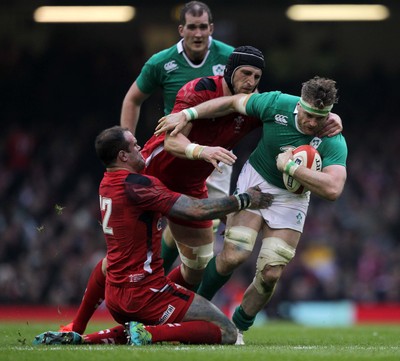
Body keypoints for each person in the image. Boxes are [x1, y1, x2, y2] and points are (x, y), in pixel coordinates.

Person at [59, 1, 236, 335]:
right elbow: (132, 99)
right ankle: (85, 322)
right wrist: (124, 153)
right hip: (171, 155)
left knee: (198, 262)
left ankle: (158, 299)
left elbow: (245, 100)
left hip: (212, 158)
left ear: (211, 28)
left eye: (203, 27)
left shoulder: (229, 59)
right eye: (191, 27)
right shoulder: (162, 62)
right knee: (128, 251)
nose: (198, 33)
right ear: (181, 30)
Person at [33, 126, 273, 346]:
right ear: (123, 156)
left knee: (108, 263)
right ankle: (150, 333)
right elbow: (194, 210)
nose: (140, 149)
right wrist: (243, 200)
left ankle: (82, 335)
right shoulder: (138, 185)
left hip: (116, 296)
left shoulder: (107, 182)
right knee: (227, 331)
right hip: (145, 295)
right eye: (135, 145)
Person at [155, 75, 348, 344]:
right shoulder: (275, 103)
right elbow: (234, 102)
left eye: (320, 118)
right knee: (234, 255)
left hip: (292, 198)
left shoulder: (332, 138)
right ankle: (191, 314)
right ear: (299, 105)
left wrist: (292, 168)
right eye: (309, 116)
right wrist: (188, 113)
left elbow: (333, 189)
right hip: (256, 181)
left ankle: (236, 329)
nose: (313, 124)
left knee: (271, 273)